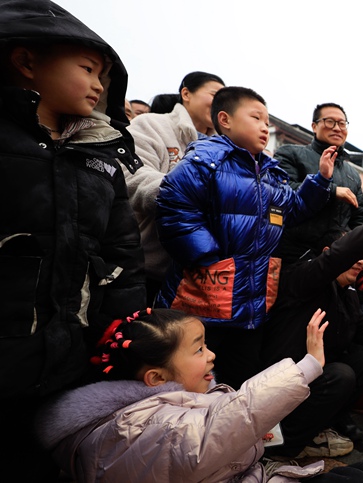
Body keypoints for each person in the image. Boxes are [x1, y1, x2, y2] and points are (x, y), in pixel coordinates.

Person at [0, 1, 147, 480]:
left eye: (104, 74)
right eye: (87, 69)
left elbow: (122, 252)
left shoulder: (100, 158)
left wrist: (123, 338)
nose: (100, 85)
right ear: (26, 62)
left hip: (69, 355)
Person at [155, 86, 334, 390]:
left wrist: (320, 181)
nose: (265, 126)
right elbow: (174, 202)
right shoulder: (207, 159)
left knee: (240, 380)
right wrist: (207, 256)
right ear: (224, 119)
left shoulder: (271, 173)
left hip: (251, 306)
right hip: (203, 300)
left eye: (267, 120)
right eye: (256, 117)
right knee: (189, 382)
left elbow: (294, 208)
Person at [35, 307, 339, 482]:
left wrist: (250, 437)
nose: (211, 355)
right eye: (199, 349)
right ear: (157, 377)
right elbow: (219, 429)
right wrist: (308, 366)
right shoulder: (147, 426)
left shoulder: (154, 409)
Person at [263, 212, 363, 454]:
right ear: (330, 252)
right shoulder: (304, 277)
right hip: (282, 376)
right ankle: (283, 450)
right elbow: (334, 259)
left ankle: (319, 429)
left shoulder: (348, 293)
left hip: (316, 376)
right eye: (354, 255)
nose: (360, 262)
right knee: (342, 374)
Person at [124, 71, 225, 302]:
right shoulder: (151, 124)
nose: (220, 103)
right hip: (142, 268)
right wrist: (193, 195)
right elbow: (131, 178)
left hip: (194, 279)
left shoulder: (224, 148)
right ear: (186, 93)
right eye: (214, 94)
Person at [274, 102, 363, 262]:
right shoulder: (290, 154)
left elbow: (359, 217)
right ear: (314, 126)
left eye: (342, 123)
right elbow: (283, 192)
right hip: (294, 257)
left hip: (336, 259)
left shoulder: (352, 174)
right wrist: (331, 190)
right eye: (330, 121)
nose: (337, 128)